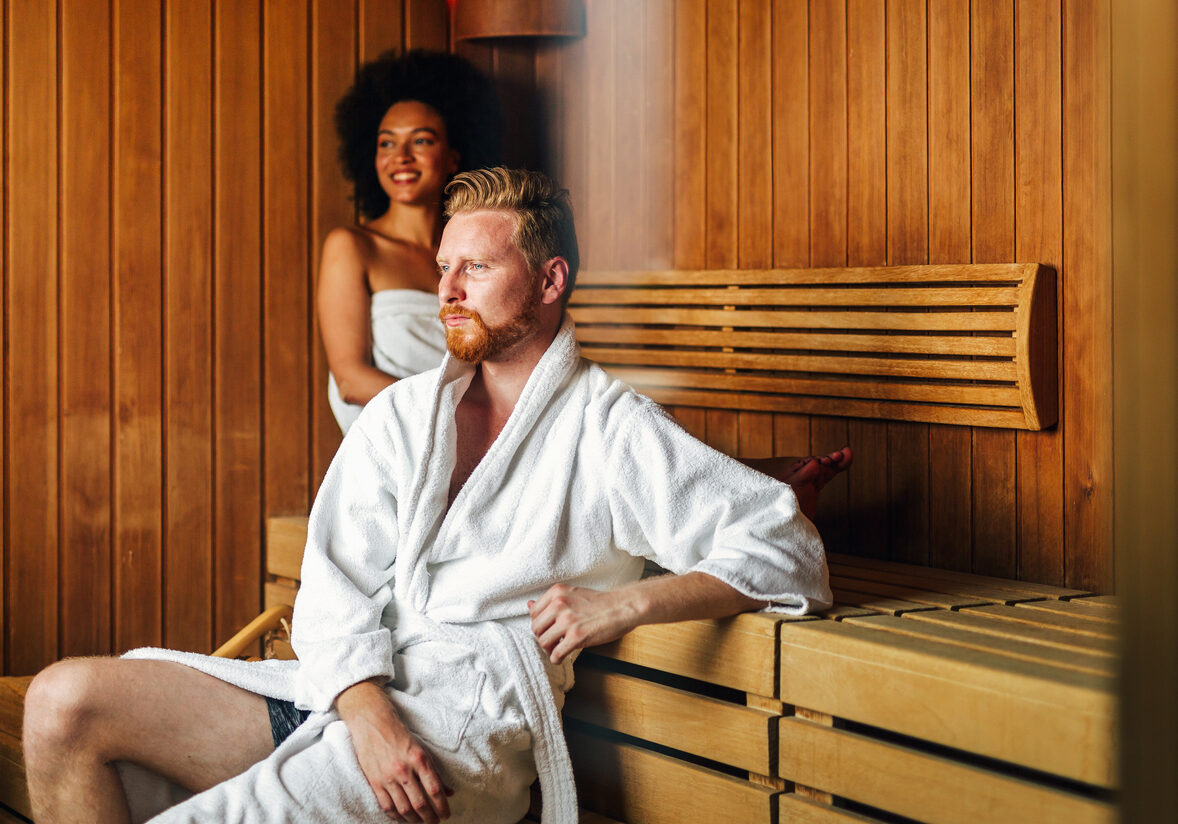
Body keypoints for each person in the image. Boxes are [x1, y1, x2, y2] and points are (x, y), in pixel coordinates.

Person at [22, 168, 835, 824]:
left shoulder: (609, 426)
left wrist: (627, 605)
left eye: (475, 267)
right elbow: (334, 588)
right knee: (63, 704)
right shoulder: (408, 413)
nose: (448, 288)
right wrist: (368, 714)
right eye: (443, 266)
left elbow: (785, 548)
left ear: (550, 280)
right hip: (354, 697)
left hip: (459, 728)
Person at [320, 49, 502, 433]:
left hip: (481, 446)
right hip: (399, 444)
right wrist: (465, 415)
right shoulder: (352, 247)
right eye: (386, 143)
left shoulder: (476, 255)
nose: (400, 157)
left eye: (420, 141)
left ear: (453, 156)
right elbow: (350, 381)